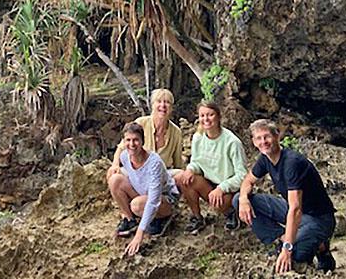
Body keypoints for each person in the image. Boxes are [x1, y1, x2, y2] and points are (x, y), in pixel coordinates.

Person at [233, 119, 337, 274]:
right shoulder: (265, 159)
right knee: (238, 200)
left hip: (319, 218)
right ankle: (281, 239)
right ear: (254, 142)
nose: (264, 142)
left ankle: (322, 249)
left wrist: (287, 249)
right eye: (259, 138)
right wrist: (243, 199)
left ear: (277, 136)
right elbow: (248, 180)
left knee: (295, 255)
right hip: (292, 209)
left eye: (267, 136)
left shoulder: (291, 163)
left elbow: (295, 209)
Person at [108, 122, 180, 256]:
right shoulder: (124, 156)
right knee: (114, 180)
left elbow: (153, 200)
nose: (132, 144)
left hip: (164, 199)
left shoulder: (154, 163)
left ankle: (160, 219)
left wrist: (139, 236)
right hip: (142, 193)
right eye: (128, 140)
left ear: (142, 141)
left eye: (135, 140)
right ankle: (130, 220)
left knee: (137, 205)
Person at [174, 101, 247, 233]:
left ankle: (231, 212)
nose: (206, 119)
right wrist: (190, 169)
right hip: (209, 183)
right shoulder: (198, 137)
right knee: (183, 178)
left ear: (218, 117)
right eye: (202, 115)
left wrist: (222, 188)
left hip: (228, 188)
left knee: (218, 203)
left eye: (210, 115)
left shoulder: (232, 142)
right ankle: (197, 217)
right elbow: (197, 162)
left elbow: (242, 176)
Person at [105, 88, 183, 183]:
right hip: (137, 172)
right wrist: (115, 164)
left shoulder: (176, 132)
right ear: (152, 105)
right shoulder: (141, 123)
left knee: (182, 175)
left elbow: (178, 162)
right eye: (159, 101)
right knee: (115, 178)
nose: (163, 105)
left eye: (167, 102)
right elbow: (121, 148)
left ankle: (169, 197)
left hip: (162, 175)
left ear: (171, 108)